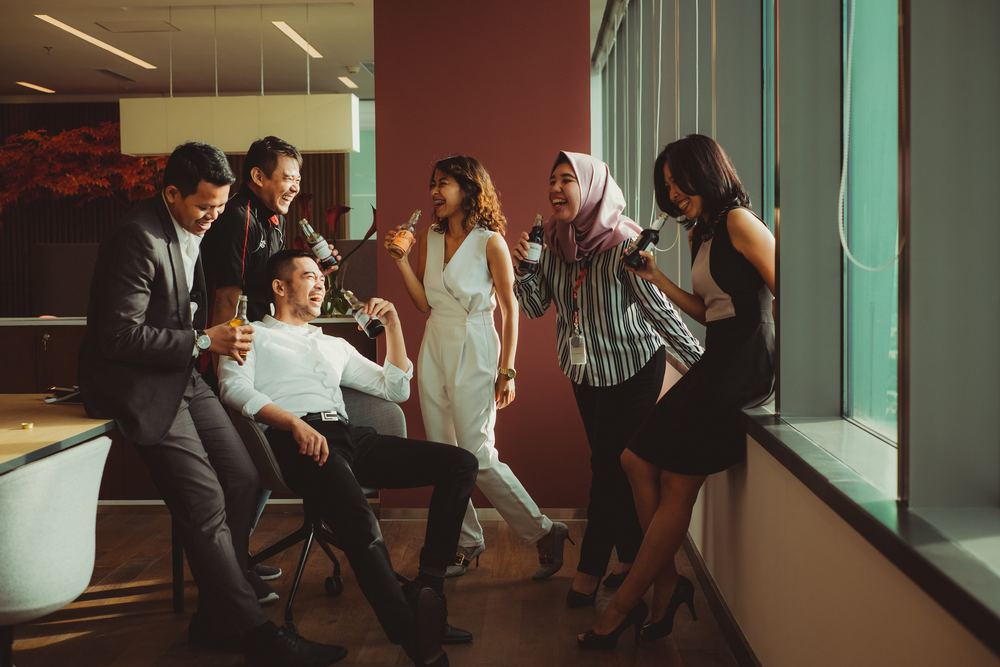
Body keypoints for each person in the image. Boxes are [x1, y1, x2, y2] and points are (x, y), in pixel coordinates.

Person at [78, 142, 347, 666]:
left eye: (221, 206)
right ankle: (257, 636)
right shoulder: (137, 238)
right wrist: (205, 340)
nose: (214, 217)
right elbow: (117, 336)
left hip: (183, 376)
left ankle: (214, 617)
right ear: (171, 193)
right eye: (205, 206)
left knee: (245, 478)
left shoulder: (198, 226)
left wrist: (205, 343)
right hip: (142, 386)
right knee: (204, 505)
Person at [218, 249, 481, 667]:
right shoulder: (250, 334)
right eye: (309, 275)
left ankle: (427, 588)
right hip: (296, 439)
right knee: (361, 521)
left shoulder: (333, 343)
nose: (321, 283)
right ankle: (412, 632)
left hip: (348, 437)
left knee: (461, 463)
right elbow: (233, 388)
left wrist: (393, 326)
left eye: (321, 277)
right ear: (280, 287)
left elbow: (395, 389)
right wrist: (292, 423)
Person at [578, 135, 775, 649]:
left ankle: (624, 607)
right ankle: (667, 581)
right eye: (666, 186)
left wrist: (791, 372)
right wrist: (657, 278)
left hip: (744, 365)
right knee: (634, 461)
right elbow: (711, 310)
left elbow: (789, 290)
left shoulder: (739, 222)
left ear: (706, 172)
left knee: (676, 482)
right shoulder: (702, 233)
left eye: (678, 182)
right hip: (719, 358)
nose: (672, 194)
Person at [511, 151, 703, 607]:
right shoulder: (553, 242)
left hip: (632, 367)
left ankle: (590, 568)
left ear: (592, 187)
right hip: (584, 370)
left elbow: (659, 311)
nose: (555, 188)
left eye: (567, 180)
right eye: (552, 180)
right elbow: (535, 308)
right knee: (612, 465)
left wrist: (702, 366)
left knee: (608, 467)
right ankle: (631, 557)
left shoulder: (624, 243)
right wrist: (526, 270)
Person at [385, 155, 570, 579]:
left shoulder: (491, 242)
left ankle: (544, 531)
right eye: (433, 183)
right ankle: (466, 541)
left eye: (444, 183)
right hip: (435, 341)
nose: (435, 191)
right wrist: (400, 261)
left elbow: (510, 309)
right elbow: (422, 303)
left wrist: (508, 371)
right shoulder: (429, 237)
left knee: (477, 453)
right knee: (444, 452)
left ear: (469, 189)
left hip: (476, 342)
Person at [200, 136, 329, 600]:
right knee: (246, 472)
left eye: (298, 178)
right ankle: (228, 570)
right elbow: (227, 297)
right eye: (287, 177)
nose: (295, 186)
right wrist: (224, 364)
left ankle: (237, 559)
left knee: (260, 465)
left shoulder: (273, 220)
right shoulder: (239, 218)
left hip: (255, 351)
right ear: (258, 176)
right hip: (233, 355)